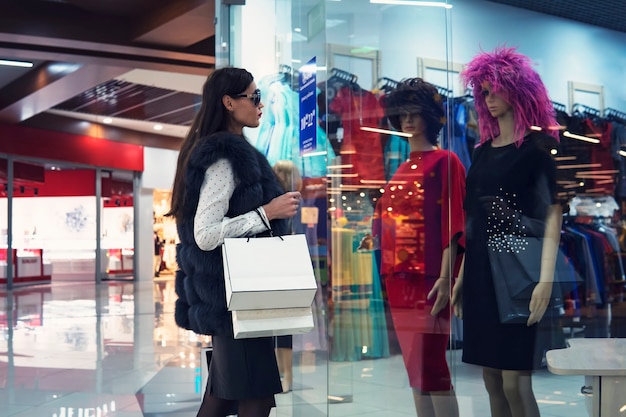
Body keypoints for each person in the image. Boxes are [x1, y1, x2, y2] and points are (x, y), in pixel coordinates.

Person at [166, 67, 302, 417]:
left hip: (236, 299)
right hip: (235, 301)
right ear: (229, 102)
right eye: (254, 97)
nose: (261, 105)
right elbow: (206, 234)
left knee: (223, 397)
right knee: (252, 398)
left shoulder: (229, 152)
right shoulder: (226, 158)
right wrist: (266, 212)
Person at [452, 47, 563, 417]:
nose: (490, 98)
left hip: (517, 274)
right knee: (492, 380)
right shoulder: (481, 152)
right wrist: (463, 275)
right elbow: (473, 221)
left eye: (496, 89)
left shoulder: (536, 150)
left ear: (517, 89)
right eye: (484, 91)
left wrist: (546, 280)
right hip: (482, 271)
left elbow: (552, 214)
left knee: (517, 382)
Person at [374, 78, 465, 417]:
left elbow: (454, 224)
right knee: (415, 368)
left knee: (432, 364)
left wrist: (447, 277)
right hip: (398, 278)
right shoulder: (401, 168)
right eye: (404, 114)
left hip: (430, 279)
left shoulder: (446, 161)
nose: (409, 121)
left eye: (416, 113)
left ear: (430, 116)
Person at [271, 160, 303, 393]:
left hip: (288, 270)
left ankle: (286, 375)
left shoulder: (292, 206)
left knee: (284, 328)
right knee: (277, 328)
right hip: (279, 270)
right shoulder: (275, 203)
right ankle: (282, 375)